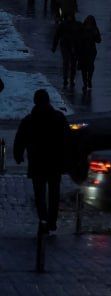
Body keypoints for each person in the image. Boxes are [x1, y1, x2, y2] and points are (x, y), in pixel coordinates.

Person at [13, 89, 70, 232]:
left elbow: (20, 140)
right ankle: (52, 220)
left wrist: (18, 155)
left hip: (37, 162)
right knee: (54, 193)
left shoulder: (29, 120)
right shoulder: (58, 117)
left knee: (39, 194)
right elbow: (68, 140)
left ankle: (43, 219)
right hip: (54, 162)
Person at [51, 15, 81, 92]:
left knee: (73, 62)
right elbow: (57, 35)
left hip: (74, 46)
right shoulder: (64, 25)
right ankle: (66, 78)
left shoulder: (77, 24)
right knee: (66, 61)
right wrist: (54, 46)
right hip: (66, 45)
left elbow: (82, 35)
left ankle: (71, 78)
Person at [77, 14, 102, 90]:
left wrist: (95, 35)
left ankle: (88, 80)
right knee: (85, 67)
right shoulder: (82, 28)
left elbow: (99, 40)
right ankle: (85, 82)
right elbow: (78, 39)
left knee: (89, 66)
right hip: (84, 50)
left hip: (91, 51)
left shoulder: (94, 29)